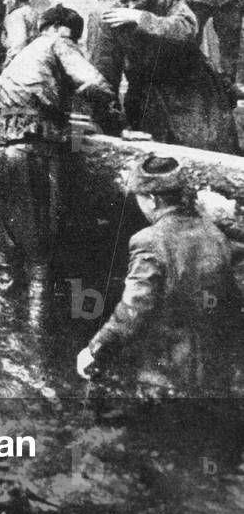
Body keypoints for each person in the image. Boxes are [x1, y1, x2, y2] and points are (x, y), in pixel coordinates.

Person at [77, 154, 241, 399]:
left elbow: (134, 308)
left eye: (140, 199)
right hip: (215, 372)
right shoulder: (214, 232)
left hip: (168, 376)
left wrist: (95, 349)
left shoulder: (149, 240)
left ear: (152, 199)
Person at [0, 5, 115, 284]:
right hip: (31, 147)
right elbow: (95, 84)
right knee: (39, 249)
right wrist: (116, 122)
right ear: (59, 28)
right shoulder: (58, 42)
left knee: (6, 241)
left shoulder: (22, 54)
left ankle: (5, 315)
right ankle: (36, 326)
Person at [88, 0, 239, 153]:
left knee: (207, 148)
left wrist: (141, 19)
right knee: (154, 156)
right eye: (124, 2)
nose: (131, 6)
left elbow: (187, 29)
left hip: (192, 91)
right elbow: (106, 72)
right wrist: (112, 122)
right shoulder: (109, 20)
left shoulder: (170, 1)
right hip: (147, 94)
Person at [2, 0, 39, 64]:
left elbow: (18, 45)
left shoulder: (15, 16)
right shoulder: (34, 12)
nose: (4, 2)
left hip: (21, 64)